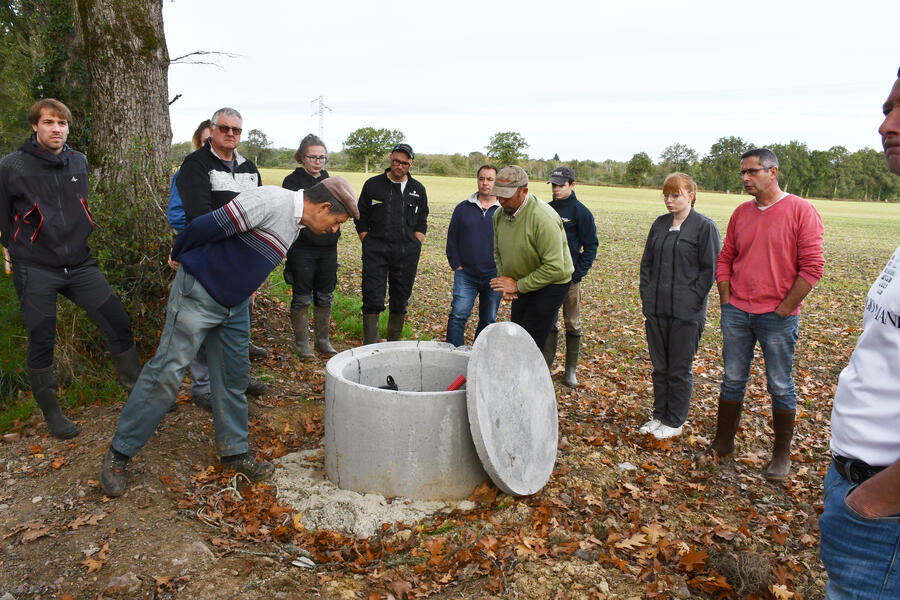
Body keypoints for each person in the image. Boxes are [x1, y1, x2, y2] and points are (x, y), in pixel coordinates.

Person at [100, 178, 359, 497]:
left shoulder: (297, 223)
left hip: (234, 305)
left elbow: (250, 255)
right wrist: (178, 253)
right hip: (199, 294)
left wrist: (247, 288)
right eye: (336, 222)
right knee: (167, 372)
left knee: (233, 376)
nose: (334, 230)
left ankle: (234, 452)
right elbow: (205, 226)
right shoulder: (269, 201)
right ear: (322, 207)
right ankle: (119, 454)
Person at [0, 98, 141, 439]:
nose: (56, 129)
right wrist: (19, 250)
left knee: (118, 321)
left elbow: (79, 207)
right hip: (35, 268)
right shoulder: (11, 166)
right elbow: (4, 219)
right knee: (42, 338)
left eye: (62, 123)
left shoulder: (78, 160)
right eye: (49, 122)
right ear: (35, 125)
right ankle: (52, 413)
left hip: (80, 265)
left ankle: (138, 391)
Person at [818, 67, 900, 600]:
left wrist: (872, 500)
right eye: (886, 110)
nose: (887, 125)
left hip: (883, 513)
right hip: (858, 485)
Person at [699, 148, 824, 481]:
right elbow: (726, 258)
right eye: (743, 172)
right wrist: (727, 299)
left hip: (777, 317)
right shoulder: (741, 213)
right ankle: (723, 442)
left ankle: (781, 456)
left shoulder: (801, 210)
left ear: (773, 172)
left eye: (752, 172)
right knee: (732, 379)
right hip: (738, 312)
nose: (745, 178)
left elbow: (813, 267)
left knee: (780, 385)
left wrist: (784, 308)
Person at [176, 107, 267, 404]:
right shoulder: (195, 165)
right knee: (203, 324)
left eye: (236, 130)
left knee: (238, 327)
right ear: (212, 130)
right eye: (224, 128)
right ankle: (203, 387)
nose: (230, 134)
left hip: (244, 260)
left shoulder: (249, 167)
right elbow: (199, 218)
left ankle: (233, 382)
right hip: (211, 260)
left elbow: (261, 209)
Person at [639, 173, 720, 439]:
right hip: (657, 309)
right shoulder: (660, 225)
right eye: (666, 195)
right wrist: (648, 298)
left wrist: (690, 303)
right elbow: (647, 264)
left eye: (676, 195)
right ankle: (659, 414)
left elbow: (709, 271)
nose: (669, 201)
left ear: (691, 196)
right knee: (660, 366)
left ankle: (675, 420)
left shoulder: (704, 227)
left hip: (686, 314)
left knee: (678, 368)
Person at [489, 165, 573, 351]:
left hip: (552, 284)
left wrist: (517, 286)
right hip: (521, 279)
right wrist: (506, 282)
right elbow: (498, 251)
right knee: (518, 329)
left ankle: (531, 376)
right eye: (498, 194)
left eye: (507, 195)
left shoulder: (543, 218)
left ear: (524, 191)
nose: (501, 200)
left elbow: (554, 268)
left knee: (529, 340)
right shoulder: (498, 215)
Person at [355, 143, 428, 344]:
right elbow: (360, 216)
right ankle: (369, 346)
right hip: (376, 251)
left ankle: (393, 345)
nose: (400, 166)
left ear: (411, 163)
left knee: (400, 298)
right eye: (396, 161)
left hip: (406, 253)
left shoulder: (417, 189)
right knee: (372, 297)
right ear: (390, 158)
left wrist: (416, 242)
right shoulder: (373, 185)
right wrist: (366, 239)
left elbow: (422, 219)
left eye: (405, 163)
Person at [282, 134, 339, 358]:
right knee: (302, 296)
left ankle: (323, 341)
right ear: (302, 158)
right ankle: (302, 343)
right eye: (313, 156)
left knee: (325, 295)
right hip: (302, 248)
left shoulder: (331, 181)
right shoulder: (292, 182)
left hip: (328, 248)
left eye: (322, 157)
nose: (318, 161)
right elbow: (300, 212)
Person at [545, 166, 598, 387]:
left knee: (572, 322)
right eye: (554, 185)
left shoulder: (581, 212)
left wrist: (577, 274)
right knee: (548, 320)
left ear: (572, 185)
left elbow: (591, 246)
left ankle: (570, 371)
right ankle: (545, 365)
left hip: (570, 279)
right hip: (547, 277)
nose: (556, 189)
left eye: (561, 185)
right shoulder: (545, 210)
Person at [444, 164, 502, 347]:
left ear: (497, 182)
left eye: (490, 179)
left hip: (494, 276)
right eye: (481, 178)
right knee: (458, 316)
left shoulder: (504, 210)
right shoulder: (463, 208)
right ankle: (454, 355)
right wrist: (457, 265)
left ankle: (478, 358)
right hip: (466, 274)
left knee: (488, 319)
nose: (485, 183)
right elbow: (452, 238)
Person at [166, 119, 211, 233]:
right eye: (207, 141)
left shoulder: (234, 174)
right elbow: (176, 216)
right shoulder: (185, 173)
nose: (211, 146)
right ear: (199, 143)